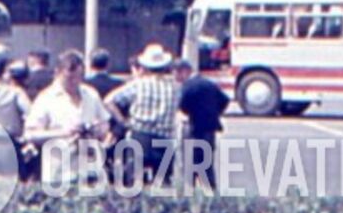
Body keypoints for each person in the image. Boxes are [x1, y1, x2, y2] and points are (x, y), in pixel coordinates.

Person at [24, 50, 112, 188]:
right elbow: (30, 134)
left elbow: (105, 124)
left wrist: (97, 129)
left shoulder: (91, 94)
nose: (74, 82)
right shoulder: (46, 98)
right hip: (59, 172)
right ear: (57, 73)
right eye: (69, 78)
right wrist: (64, 133)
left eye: (78, 77)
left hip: (90, 169)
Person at [106, 44, 182, 185]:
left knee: (134, 182)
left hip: (140, 136)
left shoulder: (138, 84)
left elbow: (110, 101)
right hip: (165, 139)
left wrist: (123, 121)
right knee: (162, 184)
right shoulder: (175, 87)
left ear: (145, 66)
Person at [176, 59, 230, 192]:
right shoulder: (209, 84)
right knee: (206, 168)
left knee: (190, 170)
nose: (176, 78)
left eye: (176, 74)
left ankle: (189, 200)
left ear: (184, 72)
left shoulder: (187, 87)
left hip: (193, 131)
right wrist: (215, 113)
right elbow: (225, 100)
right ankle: (212, 198)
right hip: (209, 132)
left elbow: (182, 106)